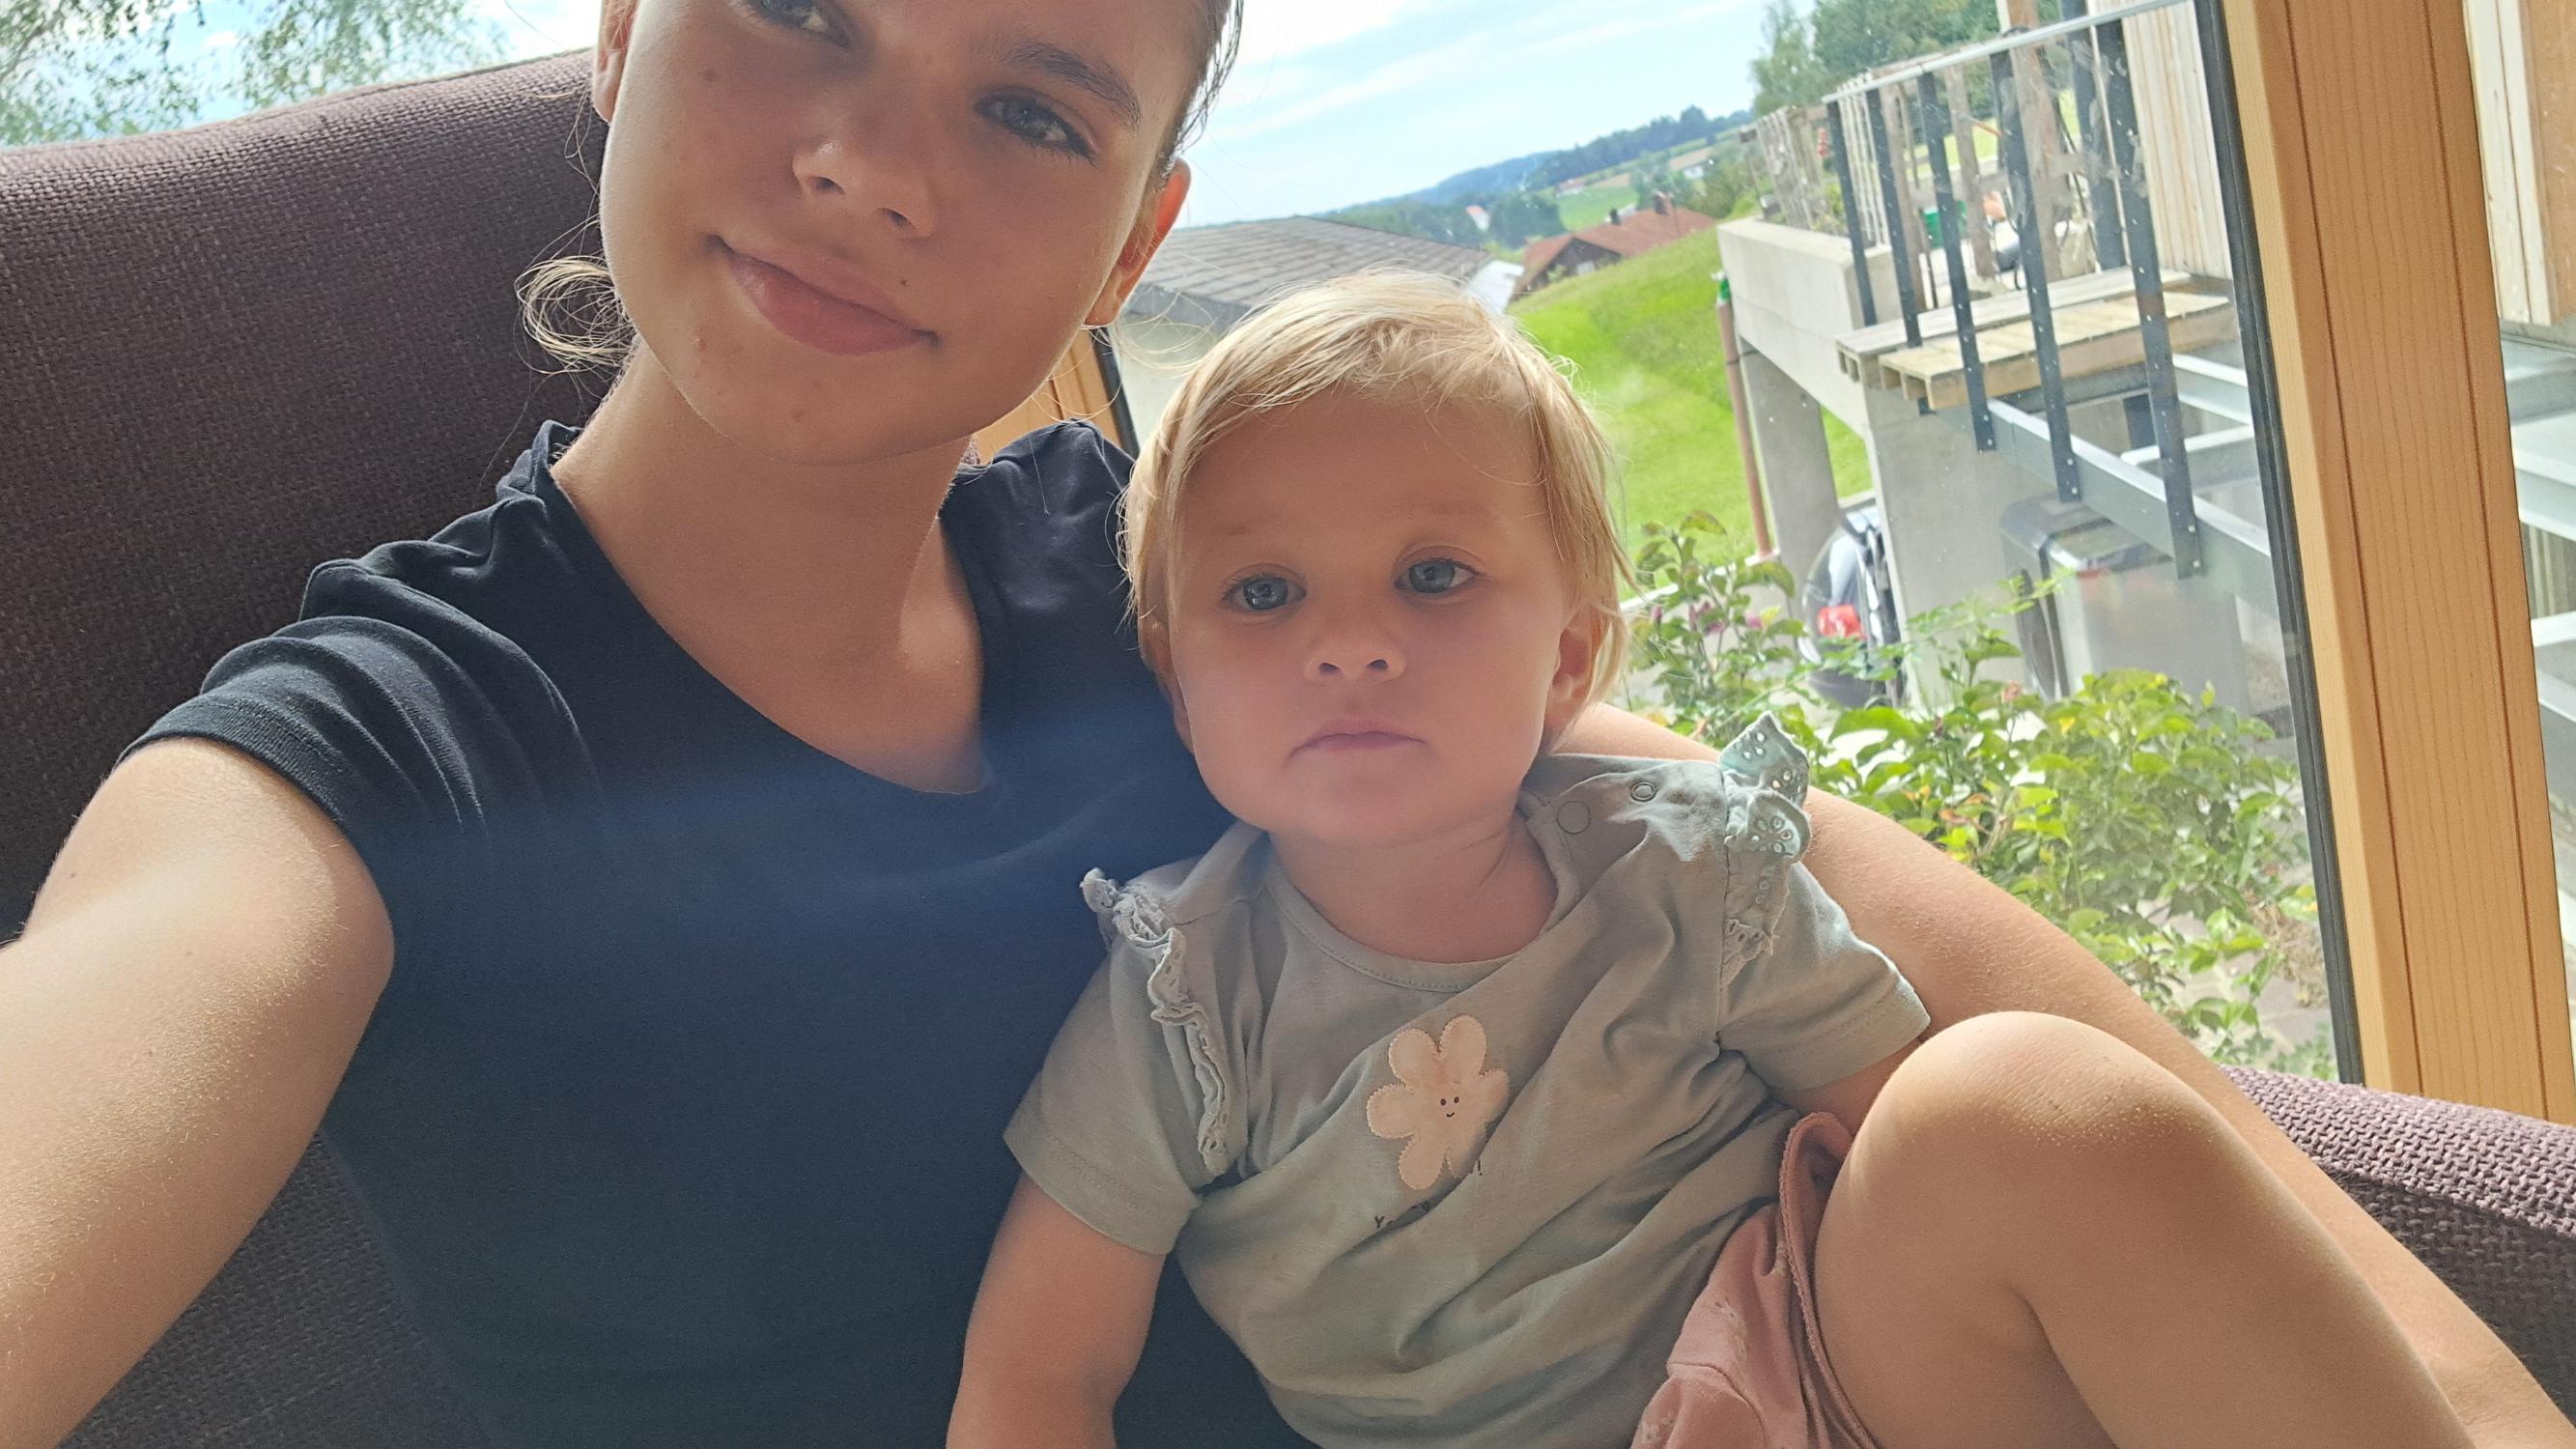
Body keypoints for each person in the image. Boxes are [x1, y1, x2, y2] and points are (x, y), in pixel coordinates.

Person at [0, 0, 2566, 1445]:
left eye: (1028, 104)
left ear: (1133, 234)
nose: (873, 164)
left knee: (2032, 1119)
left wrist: (2446, 1381)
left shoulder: (1179, 592)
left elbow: (1777, 879)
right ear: (618, 33)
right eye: (795, 9)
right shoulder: (370, 764)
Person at [945, 275, 2488, 1449]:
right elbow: (1037, 1375)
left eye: (1433, 574)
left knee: (2015, 1098)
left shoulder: (1688, 875)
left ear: (1569, 662)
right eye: (1264, 593)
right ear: (1174, 679)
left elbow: (1912, 1146)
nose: (1350, 643)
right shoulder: (1184, 999)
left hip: (1827, 1371)